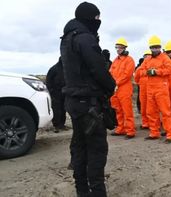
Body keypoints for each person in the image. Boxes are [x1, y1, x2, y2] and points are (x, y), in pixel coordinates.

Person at [60, 2, 116, 196]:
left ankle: (82, 191)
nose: (98, 22)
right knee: (96, 150)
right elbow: (98, 69)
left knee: (79, 147)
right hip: (89, 104)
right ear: (90, 18)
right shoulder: (84, 38)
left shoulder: (68, 38)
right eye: (97, 18)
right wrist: (111, 86)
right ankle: (98, 192)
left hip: (75, 102)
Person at [139, 35, 171, 143]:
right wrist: (147, 72)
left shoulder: (165, 58)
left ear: (160, 47)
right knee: (151, 112)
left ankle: (170, 135)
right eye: (153, 47)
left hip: (161, 88)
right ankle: (154, 132)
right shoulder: (147, 59)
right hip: (150, 88)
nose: (155, 49)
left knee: (165, 112)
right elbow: (140, 71)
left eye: (157, 47)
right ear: (150, 48)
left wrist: (156, 72)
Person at [109, 37, 136, 139]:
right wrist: (111, 83)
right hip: (116, 89)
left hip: (124, 88)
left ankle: (130, 131)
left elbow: (127, 75)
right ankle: (121, 128)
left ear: (125, 48)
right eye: (117, 47)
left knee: (127, 110)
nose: (118, 49)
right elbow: (110, 72)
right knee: (118, 110)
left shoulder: (129, 60)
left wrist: (116, 83)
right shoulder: (115, 60)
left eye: (120, 47)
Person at [46, 57, 67, 133]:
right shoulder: (53, 69)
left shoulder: (65, 68)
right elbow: (48, 81)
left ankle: (62, 124)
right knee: (56, 109)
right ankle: (56, 125)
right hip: (55, 92)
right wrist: (51, 91)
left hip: (64, 92)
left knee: (63, 109)